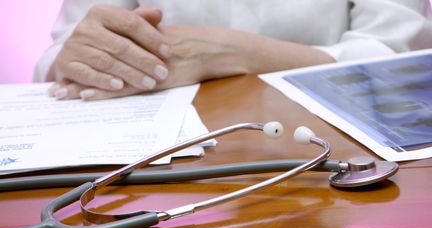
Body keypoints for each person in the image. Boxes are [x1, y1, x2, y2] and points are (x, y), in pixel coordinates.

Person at [34, 0, 432, 101]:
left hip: (329, 157)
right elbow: (56, 59)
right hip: (158, 164)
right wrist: (83, 57)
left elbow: (398, 65)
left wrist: (230, 53)